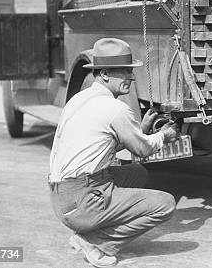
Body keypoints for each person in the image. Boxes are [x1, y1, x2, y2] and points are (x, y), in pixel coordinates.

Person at [48, 38, 180, 267]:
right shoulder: (115, 108)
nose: (130, 77)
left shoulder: (79, 99)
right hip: (82, 200)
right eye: (125, 72)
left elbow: (106, 142)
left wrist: (142, 129)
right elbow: (142, 149)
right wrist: (164, 136)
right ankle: (97, 243)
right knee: (165, 204)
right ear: (106, 74)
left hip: (62, 196)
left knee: (136, 174)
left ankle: (90, 228)